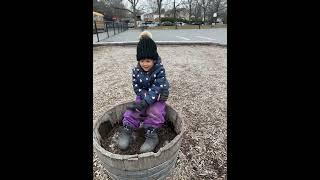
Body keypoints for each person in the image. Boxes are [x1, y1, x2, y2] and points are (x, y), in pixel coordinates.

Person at [117, 31, 170, 153]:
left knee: (155, 111)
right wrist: (143, 100)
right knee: (133, 110)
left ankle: (152, 134)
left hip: (157, 97)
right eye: (142, 61)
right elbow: (136, 87)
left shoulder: (159, 70)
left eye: (148, 61)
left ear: (154, 60)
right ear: (138, 60)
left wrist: (147, 101)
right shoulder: (136, 71)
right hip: (143, 96)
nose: (145, 64)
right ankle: (127, 128)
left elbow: (158, 87)